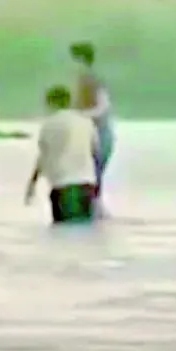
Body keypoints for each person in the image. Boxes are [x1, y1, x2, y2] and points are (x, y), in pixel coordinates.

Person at [25, 85, 99, 224]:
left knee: (63, 230)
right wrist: (97, 186)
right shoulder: (86, 122)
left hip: (62, 186)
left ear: (51, 103)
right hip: (87, 185)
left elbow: (43, 158)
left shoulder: (49, 125)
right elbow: (95, 154)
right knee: (86, 232)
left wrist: (32, 185)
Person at [70, 41, 114, 215]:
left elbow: (103, 106)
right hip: (91, 135)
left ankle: (96, 212)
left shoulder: (93, 79)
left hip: (99, 135)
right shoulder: (83, 80)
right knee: (90, 178)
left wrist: (81, 115)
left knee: (93, 177)